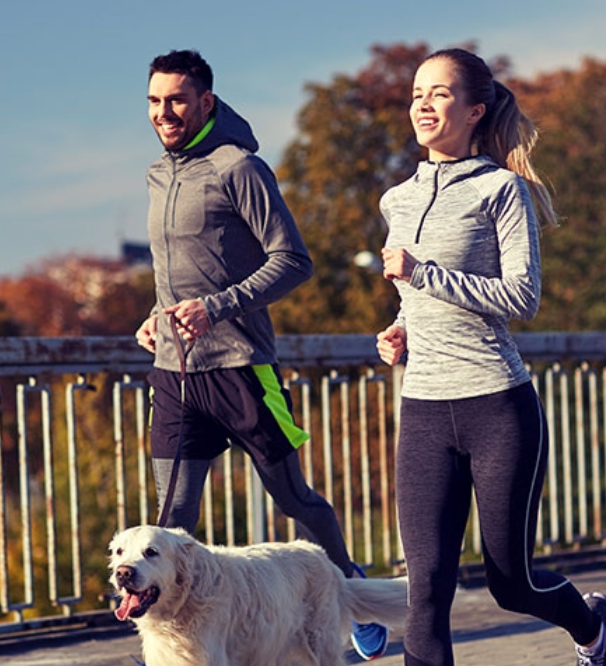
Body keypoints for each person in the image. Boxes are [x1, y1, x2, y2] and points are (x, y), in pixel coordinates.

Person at [135, 48, 390, 661]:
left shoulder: (239, 168)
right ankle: (183, 643)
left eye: (175, 100)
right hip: (175, 374)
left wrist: (217, 306)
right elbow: (176, 274)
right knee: (171, 524)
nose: (163, 112)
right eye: (153, 101)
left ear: (205, 102)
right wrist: (154, 317)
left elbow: (293, 261)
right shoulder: (156, 174)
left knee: (293, 499)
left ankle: (348, 589)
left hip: (243, 367)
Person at [375, 47, 606, 666]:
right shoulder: (396, 202)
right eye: (416, 94)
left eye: (439, 94)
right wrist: (399, 327)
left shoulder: (500, 190)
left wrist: (423, 274)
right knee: (426, 591)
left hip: (496, 406)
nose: (422, 105)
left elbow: (521, 295)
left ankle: (590, 627)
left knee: (511, 584)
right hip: (425, 408)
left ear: (475, 110)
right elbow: (416, 297)